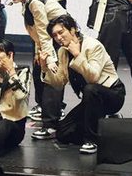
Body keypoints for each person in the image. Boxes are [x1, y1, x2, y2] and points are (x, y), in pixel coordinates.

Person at [40, 14, 125, 154]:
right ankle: (105, 129)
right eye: (55, 35)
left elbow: (93, 78)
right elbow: (59, 83)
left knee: (90, 89)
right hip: (90, 100)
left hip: (112, 95)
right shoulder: (63, 51)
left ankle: (91, 141)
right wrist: (45, 68)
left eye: (61, 32)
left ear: (73, 30)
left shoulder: (93, 46)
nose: (58, 38)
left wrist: (78, 55)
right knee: (62, 133)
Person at [5, 0, 67, 140]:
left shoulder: (34, 2)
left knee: (52, 79)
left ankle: (51, 125)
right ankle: (45, 110)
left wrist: (49, 57)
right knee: (40, 71)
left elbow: (45, 32)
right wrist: (38, 51)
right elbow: (38, 31)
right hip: (52, 39)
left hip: (59, 40)